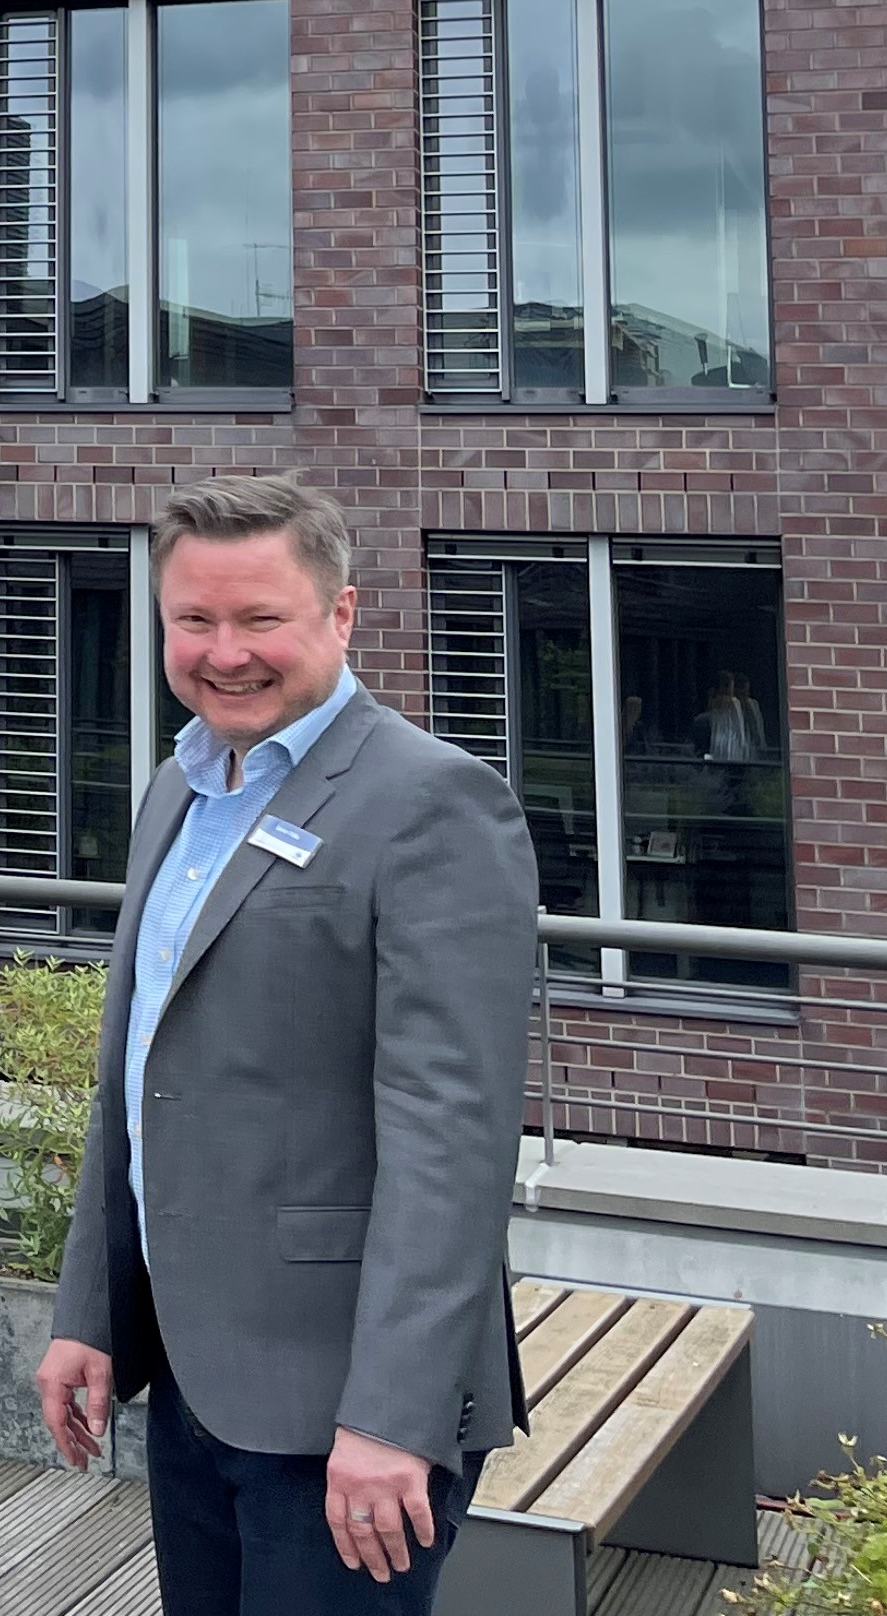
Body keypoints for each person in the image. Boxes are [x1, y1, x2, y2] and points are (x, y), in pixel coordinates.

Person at [34, 475, 541, 1616]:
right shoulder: (179, 790)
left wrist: (393, 1416)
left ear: (340, 613)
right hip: (197, 1378)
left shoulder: (431, 802)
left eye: (260, 619)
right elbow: (140, 1083)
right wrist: (92, 1315)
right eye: (194, 620)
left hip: (346, 1411)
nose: (226, 654)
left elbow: (452, 1141)